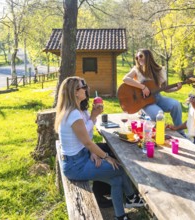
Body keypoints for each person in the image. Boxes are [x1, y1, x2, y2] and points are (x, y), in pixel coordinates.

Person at [54, 76, 143, 220]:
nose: (86, 88)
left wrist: (93, 152)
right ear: (75, 92)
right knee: (119, 168)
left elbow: (85, 139)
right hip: (75, 165)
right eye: (83, 86)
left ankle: (121, 215)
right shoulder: (73, 114)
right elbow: (88, 142)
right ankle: (131, 199)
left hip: (79, 158)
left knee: (116, 178)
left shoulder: (74, 110)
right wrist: (106, 157)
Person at [123, 49, 184, 135]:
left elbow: (165, 89)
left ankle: (180, 131)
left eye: (141, 56)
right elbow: (125, 79)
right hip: (145, 102)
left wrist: (176, 89)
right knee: (158, 114)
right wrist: (143, 87)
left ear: (148, 57)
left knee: (176, 104)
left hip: (158, 98)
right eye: (137, 57)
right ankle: (159, 135)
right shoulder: (136, 70)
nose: (138, 59)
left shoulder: (160, 70)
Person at [79, 83, 112, 208]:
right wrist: (93, 151)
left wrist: (93, 114)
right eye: (83, 87)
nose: (86, 89)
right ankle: (100, 195)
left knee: (109, 149)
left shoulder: (83, 109)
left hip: (86, 146)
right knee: (108, 157)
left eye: (86, 87)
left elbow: (89, 131)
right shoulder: (76, 112)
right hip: (82, 150)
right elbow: (83, 136)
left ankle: (105, 190)